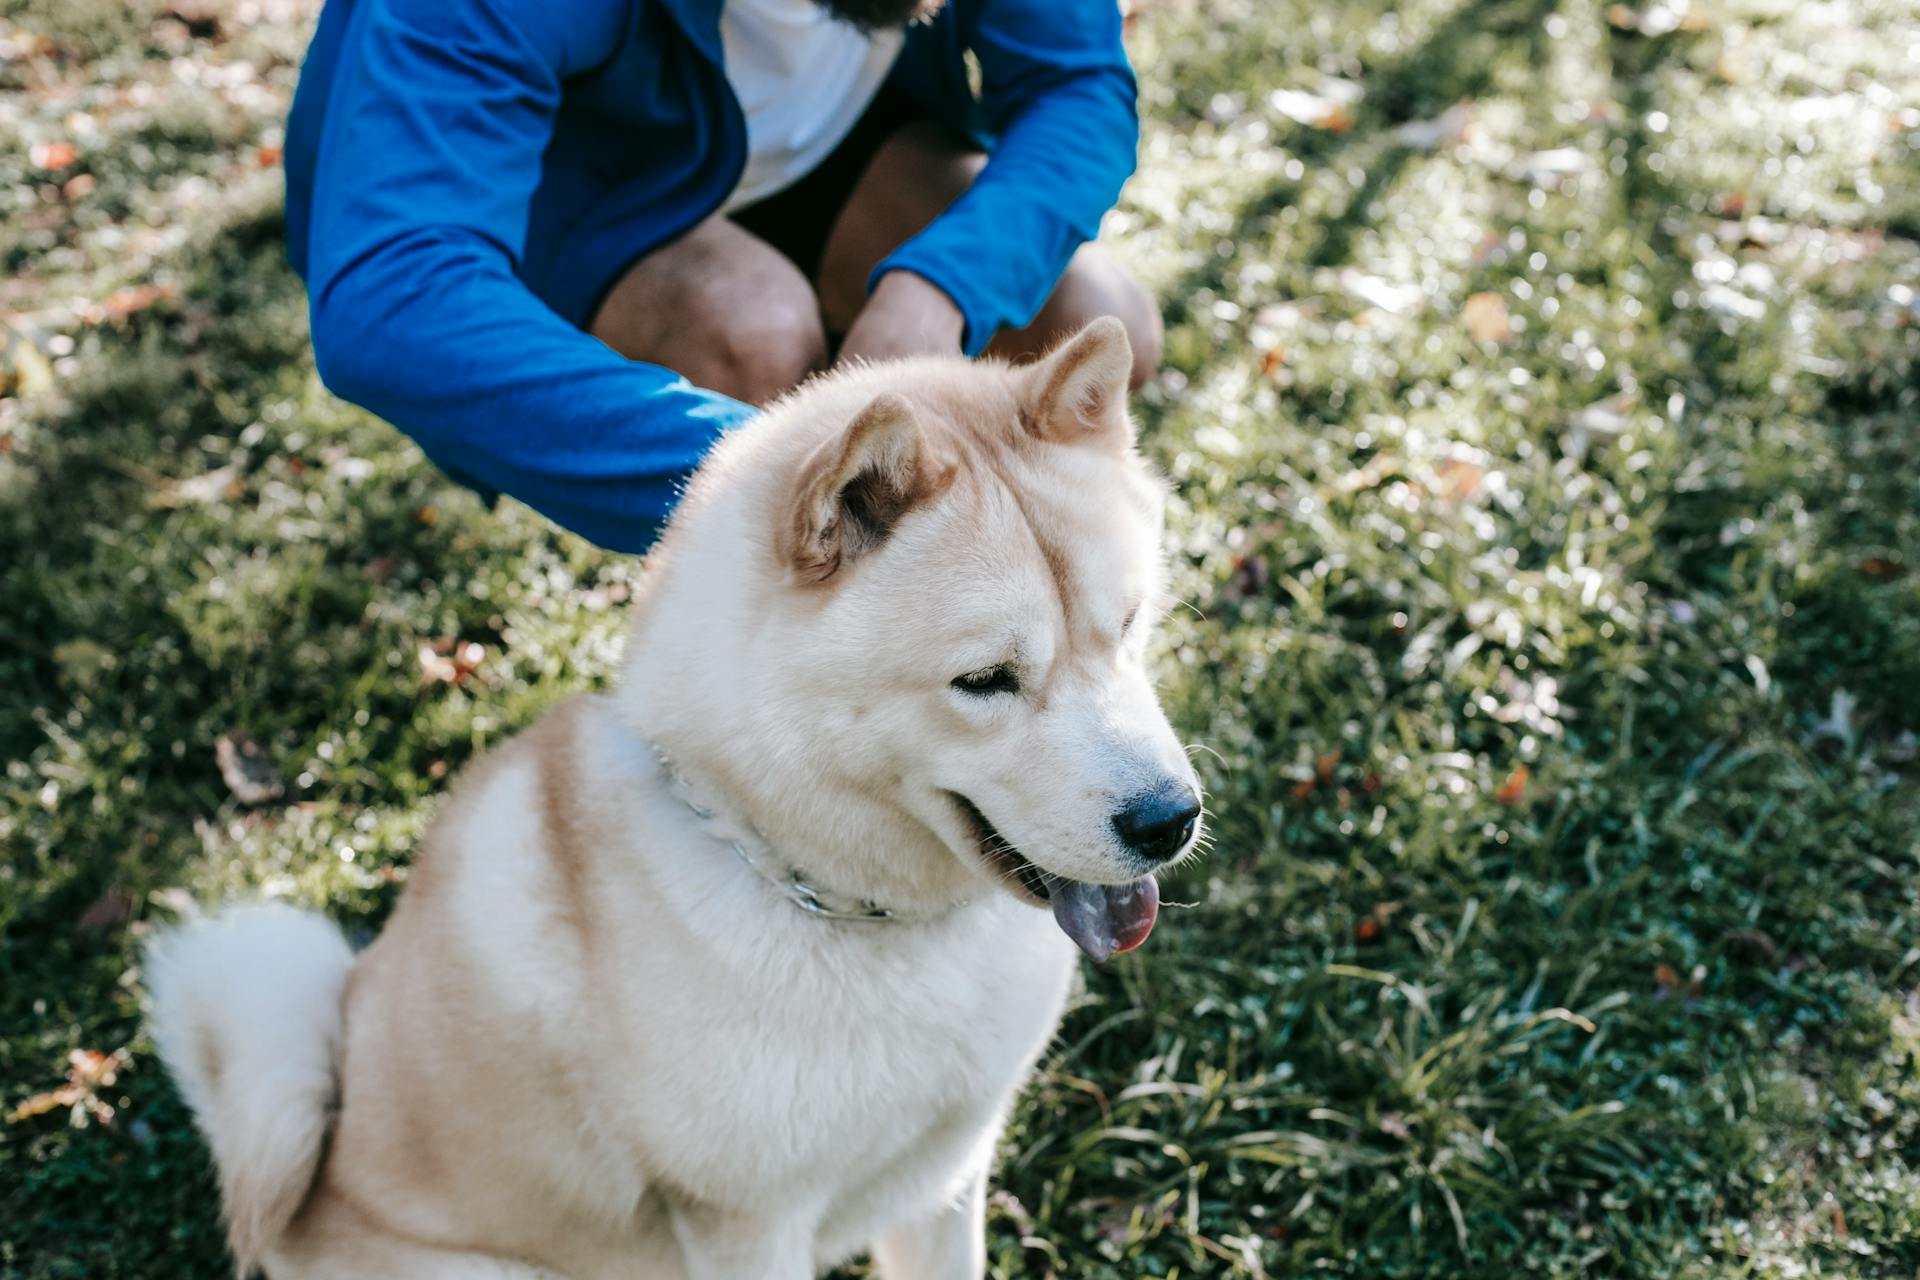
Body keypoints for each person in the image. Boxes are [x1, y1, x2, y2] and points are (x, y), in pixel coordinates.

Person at [283, 0, 1161, 553]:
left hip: (841, 149)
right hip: (593, 183)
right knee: (754, 335)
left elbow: (1077, 86)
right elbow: (394, 293)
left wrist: (937, 291)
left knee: (1087, 314)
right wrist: (761, 475)